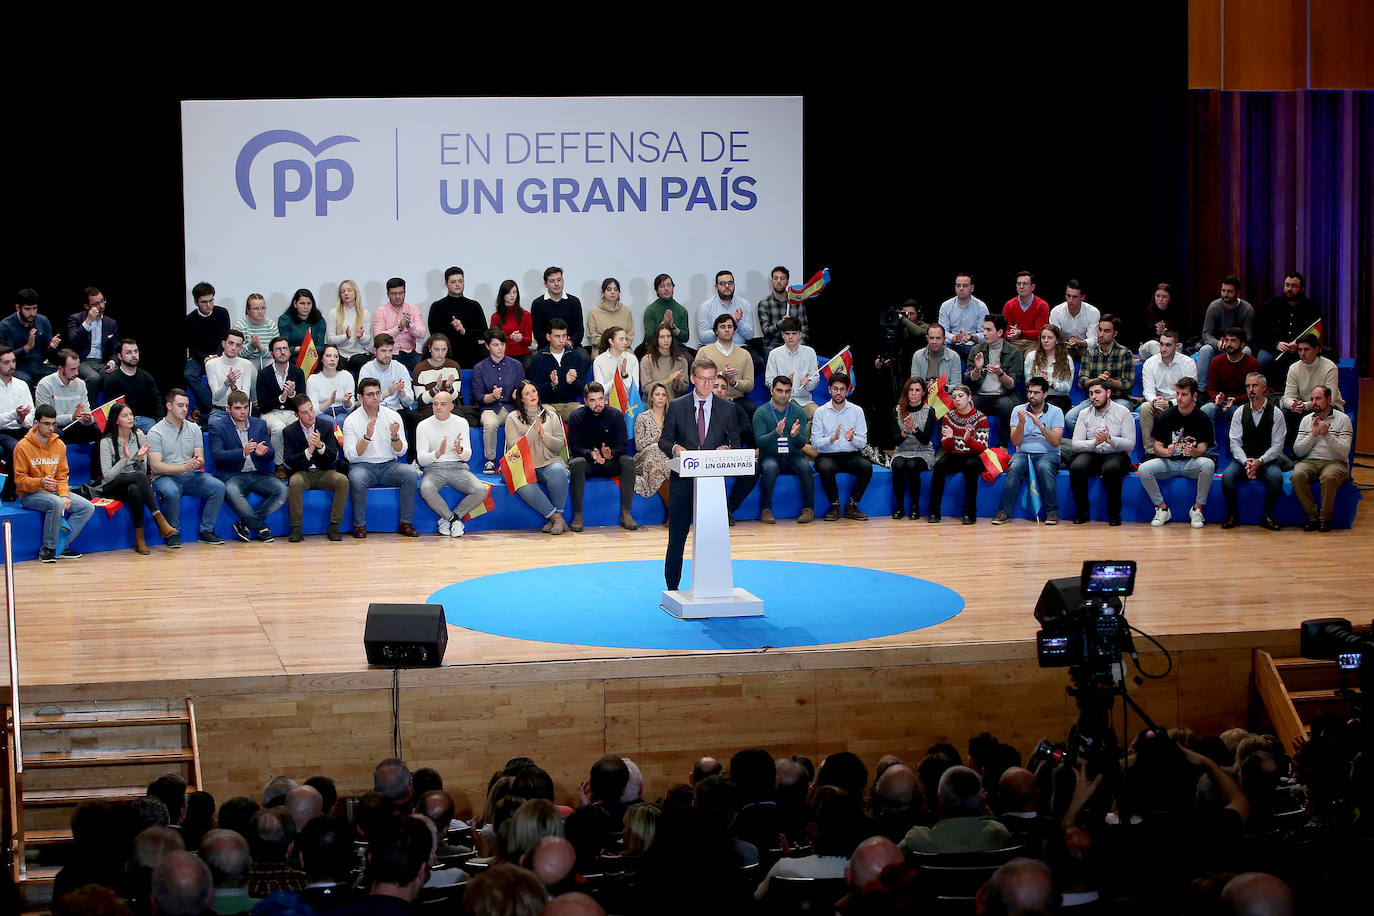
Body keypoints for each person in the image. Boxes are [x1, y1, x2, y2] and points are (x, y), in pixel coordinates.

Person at [660, 359, 743, 588]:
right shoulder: (677, 405)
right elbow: (664, 441)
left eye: (711, 379)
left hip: (713, 483)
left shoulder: (727, 408)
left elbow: (735, 441)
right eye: (702, 378)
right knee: (677, 537)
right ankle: (672, 587)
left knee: (712, 537)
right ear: (693, 379)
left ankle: (713, 586)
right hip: (683, 481)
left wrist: (727, 449)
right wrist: (675, 448)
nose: (707, 384)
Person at [92, 401, 178, 554]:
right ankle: (159, 518)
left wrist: (139, 459)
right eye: (125, 416)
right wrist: (125, 459)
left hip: (135, 483)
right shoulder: (106, 442)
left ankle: (140, 539)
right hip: (112, 485)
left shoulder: (139, 436)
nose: (130, 418)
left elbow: (144, 472)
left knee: (135, 490)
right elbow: (107, 476)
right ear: (116, 420)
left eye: (130, 415)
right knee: (137, 478)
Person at [14, 404, 94, 562]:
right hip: (30, 494)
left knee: (87, 507)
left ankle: (60, 545)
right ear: (36, 424)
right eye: (46, 424)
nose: (51, 428)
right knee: (56, 503)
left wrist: (65, 495)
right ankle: (48, 549)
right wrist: (40, 482)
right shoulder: (22, 447)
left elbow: (62, 475)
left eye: (53, 424)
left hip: (55, 491)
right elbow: (20, 481)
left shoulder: (59, 445)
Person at [342, 378, 420, 538]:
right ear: (361, 397)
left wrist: (394, 437)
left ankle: (406, 523)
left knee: (410, 473)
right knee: (356, 477)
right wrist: (366, 437)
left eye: (377, 393)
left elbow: (401, 451)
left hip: (389, 465)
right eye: (370, 394)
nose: (376, 397)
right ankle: (359, 525)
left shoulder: (393, 416)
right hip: (362, 466)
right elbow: (350, 455)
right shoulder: (351, 420)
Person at [149, 389, 226, 546]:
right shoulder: (155, 432)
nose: (184, 409)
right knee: (171, 491)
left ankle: (207, 531)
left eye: (187, 406)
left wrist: (198, 462)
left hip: (190, 475)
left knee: (218, 487)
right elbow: (156, 467)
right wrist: (184, 467)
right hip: (164, 477)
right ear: (169, 406)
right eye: (180, 405)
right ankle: (173, 531)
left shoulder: (194, 428)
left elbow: (201, 458)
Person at [209, 390, 289, 542]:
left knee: (282, 491)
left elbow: (271, 453)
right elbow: (217, 455)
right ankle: (261, 527)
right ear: (228, 409)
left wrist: (262, 453)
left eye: (245, 407)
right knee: (231, 490)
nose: (243, 411)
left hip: (258, 473)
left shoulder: (259, 424)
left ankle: (245, 524)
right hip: (233, 474)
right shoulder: (218, 426)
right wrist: (242, 452)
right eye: (238, 408)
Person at [1137, 378, 1215, 528]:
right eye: (1178, 394)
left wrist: (1194, 451)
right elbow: (1157, 445)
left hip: (1191, 463)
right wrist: (1165, 452)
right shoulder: (1166, 416)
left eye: (1184, 394)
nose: (1179, 398)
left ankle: (1197, 509)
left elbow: (1203, 448)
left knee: (1208, 465)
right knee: (1144, 469)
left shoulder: (1202, 418)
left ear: (1194, 396)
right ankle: (1162, 508)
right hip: (1169, 462)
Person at [417, 390, 489, 537]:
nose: (438, 407)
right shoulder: (423, 425)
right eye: (435, 404)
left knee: (481, 490)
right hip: (433, 468)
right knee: (426, 489)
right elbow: (422, 460)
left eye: (443, 404)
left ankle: (451, 517)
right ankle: (453, 519)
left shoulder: (461, 422)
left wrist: (459, 450)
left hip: (458, 467)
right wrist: (437, 453)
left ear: (451, 406)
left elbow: (467, 455)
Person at [992, 377, 1064, 525]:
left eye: (1036, 393)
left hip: (1048, 453)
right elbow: (1015, 441)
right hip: (1023, 453)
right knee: (1015, 467)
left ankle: (1052, 513)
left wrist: (1040, 425)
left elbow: (1056, 441)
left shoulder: (1056, 412)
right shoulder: (1018, 410)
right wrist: (1022, 424)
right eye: (1030, 392)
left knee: (1044, 468)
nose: (1032, 396)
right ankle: (1004, 512)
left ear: (1045, 394)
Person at [567, 382, 637, 531]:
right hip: (588, 463)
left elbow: (623, 446)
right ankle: (578, 514)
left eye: (600, 399)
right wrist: (591, 454)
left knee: (629, 462)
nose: (598, 404)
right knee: (576, 463)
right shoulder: (576, 417)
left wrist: (611, 453)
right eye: (593, 400)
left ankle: (626, 513)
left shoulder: (616, 415)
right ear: (585, 401)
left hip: (610, 463)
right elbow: (575, 447)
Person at [504, 379, 570, 534]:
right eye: (527, 393)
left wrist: (544, 435)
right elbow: (515, 448)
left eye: (533, 391)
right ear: (521, 398)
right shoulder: (512, 418)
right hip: (524, 466)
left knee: (558, 471)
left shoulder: (551, 415)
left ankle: (557, 516)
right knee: (521, 483)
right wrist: (534, 433)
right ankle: (556, 518)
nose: (532, 395)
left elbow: (559, 445)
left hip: (547, 462)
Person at [1222, 371, 1286, 530]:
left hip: (1266, 461)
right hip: (1244, 460)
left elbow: (1277, 446)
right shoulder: (1239, 412)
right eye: (1248, 386)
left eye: (1254, 386)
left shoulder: (1276, 413)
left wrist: (1260, 461)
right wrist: (1246, 462)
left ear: (1264, 388)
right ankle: (1232, 515)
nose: (1250, 390)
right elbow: (1234, 443)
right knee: (1227, 477)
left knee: (1276, 477)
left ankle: (1267, 516)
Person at [1067, 378, 1136, 525]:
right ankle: (1082, 512)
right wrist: (1095, 442)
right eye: (1091, 393)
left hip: (1117, 454)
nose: (1094, 396)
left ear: (1108, 393)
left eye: (1098, 392)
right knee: (1076, 467)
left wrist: (1109, 439)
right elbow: (1076, 444)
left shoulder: (1123, 412)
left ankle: (1114, 514)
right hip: (1093, 452)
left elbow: (1130, 444)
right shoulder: (1084, 413)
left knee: (1111, 468)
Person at [282, 394, 348, 542]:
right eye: (305, 412)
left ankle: (334, 525)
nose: (310, 414)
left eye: (311, 409)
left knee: (342, 480)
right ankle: (296, 527)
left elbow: (332, 456)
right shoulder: (289, 431)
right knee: (295, 482)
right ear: (297, 415)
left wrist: (320, 446)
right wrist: (308, 451)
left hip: (325, 471)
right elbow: (289, 460)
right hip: (302, 472)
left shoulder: (325, 426)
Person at [809, 371, 871, 521]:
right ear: (829, 389)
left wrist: (851, 439)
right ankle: (835, 506)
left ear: (847, 391)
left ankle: (852, 505)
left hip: (851, 455)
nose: (838, 392)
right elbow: (815, 442)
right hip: (827, 455)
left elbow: (862, 442)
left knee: (866, 467)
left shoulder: (857, 411)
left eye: (842, 389)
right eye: (835, 388)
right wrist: (831, 439)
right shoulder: (820, 412)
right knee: (825, 467)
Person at [753, 375, 815, 524]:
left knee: (805, 466)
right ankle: (765, 509)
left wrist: (794, 435)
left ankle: (808, 509)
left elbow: (801, 444)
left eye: (787, 391)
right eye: (779, 390)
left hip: (793, 454)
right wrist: (777, 433)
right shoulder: (761, 412)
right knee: (771, 467)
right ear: (771, 390)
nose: (783, 395)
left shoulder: (798, 412)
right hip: (769, 455)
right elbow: (760, 442)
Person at [1291, 385, 1352, 532]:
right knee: (1297, 475)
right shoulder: (1306, 420)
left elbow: (1344, 451)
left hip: (1336, 462)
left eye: (1318, 398)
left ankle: (1325, 519)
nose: (1314, 402)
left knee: (1329, 476)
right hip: (1311, 461)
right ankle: (1313, 517)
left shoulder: (1343, 419)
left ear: (1329, 400)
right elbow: (1298, 451)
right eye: (1311, 399)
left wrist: (1327, 434)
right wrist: (1313, 435)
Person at [1064, 314, 1135, 436]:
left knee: (1116, 413)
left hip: (1118, 399)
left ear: (1115, 333)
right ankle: (1093, 440)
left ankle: (1105, 443)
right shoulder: (1090, 353)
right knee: (1070, 417)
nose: (1101, 334)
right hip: (1094, 398)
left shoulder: (1125, 353)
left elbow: (1127, 383)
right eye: (1100, 329)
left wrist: (1108, 381)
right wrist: (1097, 380)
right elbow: (1082, 381)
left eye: (1106, 331)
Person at [927, 385, 986, 525]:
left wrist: (968, 440)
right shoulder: (948, 417)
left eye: (960, 396)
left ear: (969, 397)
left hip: (973, 455)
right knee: (940, 466)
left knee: (971, 466)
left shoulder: (980, 417)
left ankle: (970, 513)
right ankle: (934, 512)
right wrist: (950, 439)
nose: (957, 399)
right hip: (955, 453)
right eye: (954, 397)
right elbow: (947, 448)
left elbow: (982, 448)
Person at [359, 334, 421, 461]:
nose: (387, 355)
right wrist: (387, 392)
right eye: (383, 351)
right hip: (374, 411)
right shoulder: (367, 369)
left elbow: (409, 400)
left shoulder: (400, 368)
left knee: (414, 418)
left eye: (390, 351)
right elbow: (364, 400)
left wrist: (402, 392)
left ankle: (412, 461)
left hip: (395, 411)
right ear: (375, 351)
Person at [472, 328, 525, 474]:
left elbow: (519, 389)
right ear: (487, 346)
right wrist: (493, 396)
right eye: (496, 345)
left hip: (511, 407)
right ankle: (490, 460)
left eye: (502, 344)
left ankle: (513, 460)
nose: (500, 348)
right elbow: (479, 397)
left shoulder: (516, 365)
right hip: (489, 408)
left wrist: (516, 395)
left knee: (517, 419)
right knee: (490, 423)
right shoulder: (480, 368)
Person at [963, 315, 1023, 446]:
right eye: (984, 329)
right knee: (968, 402)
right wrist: (977, 370)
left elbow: (1012, 384)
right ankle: (970, 444)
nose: (984, 333)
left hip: (1003, 396)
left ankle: (1003, 446)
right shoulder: (976, 350)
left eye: (989, 330)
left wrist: (1000, 373)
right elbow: (968, 378)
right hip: (980, 395)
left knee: (1007, 405)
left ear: (1000, 332)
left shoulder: (1014, 352)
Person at [1256, 271, 1321, 390]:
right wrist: (1276, 344)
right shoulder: (1271, 305)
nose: (1289, 289)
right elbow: (1261, 333)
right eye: (1287, 285)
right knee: (1262, 361)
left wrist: (1299, 345)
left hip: (1300, 349)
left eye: (1294, 286)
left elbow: (1315, 333)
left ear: (1301, 289)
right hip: (1272, 348)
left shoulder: (1311, 307)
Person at [1136, 328, 1198, 447]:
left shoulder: (1188, 363)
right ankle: (1150, 452)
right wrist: (1155, 401)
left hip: (1180, 402)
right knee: (1145, 407)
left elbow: (1190, 393)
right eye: (1161, 344)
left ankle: (1183, 449)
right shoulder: (1150, 363)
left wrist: (1170, 404)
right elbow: (1148, 391)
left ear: (1177, 346)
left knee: (1190, 405)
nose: (1163, 349)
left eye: (1168, 345)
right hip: (1158, 403)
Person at [256, 337, 308, 477]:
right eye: (278, 349)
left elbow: (302, 401)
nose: (282, 352)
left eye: (285, 348)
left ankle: (300, 463)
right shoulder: (263, 374)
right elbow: (262, 406)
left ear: (289, 352)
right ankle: (279, 465)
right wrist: (282, 398)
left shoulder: (298, 372)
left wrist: (292, 395)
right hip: (270, 413)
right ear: (272, 353)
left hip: (292, 412)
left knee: (300, 426)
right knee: (279, 428)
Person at [1195, 275, 1255, 391]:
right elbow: (1206, 334)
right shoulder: (1214, 307)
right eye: (1223, 291)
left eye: (1229, 291)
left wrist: (1233, 343)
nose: (1225, 294)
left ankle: (1246, 388)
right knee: (1205, 350)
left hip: (1238, 346)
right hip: (1218, 346)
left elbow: (1249, 335)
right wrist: (1218, 343)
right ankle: (1202, 390)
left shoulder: (1247, 309)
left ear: (1237, 292)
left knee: (1247, 351)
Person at [889, 377, 937, 520]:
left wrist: (914, 429)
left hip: (922, 451)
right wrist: (905, 431)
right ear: (906, 392)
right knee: (898, 465)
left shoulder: (929, 410)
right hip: (902, 449)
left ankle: (915, 506)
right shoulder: (897, 410)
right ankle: (899, 507)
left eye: (917, 390)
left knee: (912, 466)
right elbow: (895, 440)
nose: (914, 393)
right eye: (911, 390)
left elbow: (926, 439)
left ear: (923, 393)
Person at [713, 375, 758, 524]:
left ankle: (729, 509)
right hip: (708, 457)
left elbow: (747, 429)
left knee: (755, 468)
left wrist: (728, 433)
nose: (719, 390)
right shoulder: (698, 408)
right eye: (716, 386)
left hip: (731, 456)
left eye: (723, 388)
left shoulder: (734, 407)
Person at [530, 318, 591, 422]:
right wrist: (551, 384)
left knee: (583, 412)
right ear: (548, 337)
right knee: (550, 416)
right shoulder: (538, 358)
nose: (562, 340)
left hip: (570, 404)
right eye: (557, 336)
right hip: (547, 404)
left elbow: (583, 387)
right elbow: (534, 391)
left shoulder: (575, 356)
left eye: (564, 336)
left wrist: (572, 382)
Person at [182, 282, 228, 416]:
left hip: (220, 355)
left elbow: (224, 338)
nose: (208, 305)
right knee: (189, 374)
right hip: (199, 357)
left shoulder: (222, 313)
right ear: (196, 303)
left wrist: (217, 356)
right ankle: (212, 405)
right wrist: (205, 358)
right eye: (204, 302)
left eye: (211, 301)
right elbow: (192, 346)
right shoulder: (189, 320)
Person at [98, 338, 162, 433]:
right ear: (120, 356)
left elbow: (156, 400)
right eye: (128, 353)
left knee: (159, 433)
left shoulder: (146, 377)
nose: (134, 355)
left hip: (146, 420)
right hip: (124, 421)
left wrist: (160, 420)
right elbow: (113, 409)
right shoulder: (112, 379)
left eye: (136, 351)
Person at [428, 267, 487, 370]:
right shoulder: (437, 306)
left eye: (460, 281)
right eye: (453, 281)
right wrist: (454, 328)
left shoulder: (474, 306)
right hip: (446, 355)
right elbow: (434, 333)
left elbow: (483, 331)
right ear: (446, 284)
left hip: (472, 355)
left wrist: (464, 331)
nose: (458, 284)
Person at [35, 350, 98, 444]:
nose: (77, 373)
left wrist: (89, 419)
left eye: (77, 368)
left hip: (76, 424)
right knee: (56, 433)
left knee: (98, 428)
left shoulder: (80, 384)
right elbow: (45, 419)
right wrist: (71, 417)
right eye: (72, 369)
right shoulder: (45, 385)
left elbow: (86, 411)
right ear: (60, 368)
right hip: (55, 426)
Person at [764, 316, 820, 421]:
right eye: (787, 333)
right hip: (781, 401)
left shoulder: (810, 352)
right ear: (782, 335)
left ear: (800, 335)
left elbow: (815, 378)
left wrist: (808, 383)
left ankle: (805, 437)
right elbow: (768, 381)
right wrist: (784, 383)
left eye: (794, 333)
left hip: (804, 401)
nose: (790, 337)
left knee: (818, 414)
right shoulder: (774, 354)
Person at [3, 288, 61, 387]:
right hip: (18, 367)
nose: (32, 313)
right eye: (27, 309)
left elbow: (50, 354)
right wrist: (27, 347)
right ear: (18, 308)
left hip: (39, 365)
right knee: (25, 381)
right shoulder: (6, 326)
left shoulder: (42, 321)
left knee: (59, 375)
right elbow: (6, 356)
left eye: (34, 308)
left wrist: (52, 346)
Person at [66, 286, 120, 392]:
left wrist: (113, 362)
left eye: (102, 302)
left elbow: (115, 349)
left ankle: (114, 408)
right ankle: (91, 408)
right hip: (82, 361)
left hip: (102, 362)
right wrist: (88, 321)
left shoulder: (111, 323)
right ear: (86, 306)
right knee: (93, 378)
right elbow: (72, 341)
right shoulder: (76, 319)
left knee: (115, 376)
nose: (101, 306)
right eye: (95, 304)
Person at [1203, 327, 1261, 424]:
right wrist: (1216, 397)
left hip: (1242, 404)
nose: (1229, 344)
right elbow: (1211, 389)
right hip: (1221, 403)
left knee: (1241, 414)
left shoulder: (1252, 363)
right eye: (1227, 340)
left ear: (1242, 344)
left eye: (1233, 341)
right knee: (1206, 410)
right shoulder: (1216, 361)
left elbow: (1254, 393)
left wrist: (1236, 400)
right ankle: (1211, 439)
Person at [634, 381, 672, 520]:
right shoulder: (642, 417)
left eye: (663, 395)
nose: (661, 397)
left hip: (666, 458)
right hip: (645, 457)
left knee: (660, 465)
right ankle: (673, 510)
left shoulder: (672, 418)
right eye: (657, 394)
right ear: (651, 398)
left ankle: (671, 511)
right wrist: (658, 438)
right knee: (656, 449)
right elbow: (639, 445)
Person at [1282, 333, 1343, 418]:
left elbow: (1330, 400)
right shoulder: (1294, 368)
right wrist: (1294, 404)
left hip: (1329, 406)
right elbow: (1288, 397)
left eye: (1306, 349)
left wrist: (1306, 405)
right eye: (1300, 350)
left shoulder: (1330, 367)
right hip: (1304, 406)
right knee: (1287, 413)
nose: (1302, 353)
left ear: (1316, 350)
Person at [203, 329, 257, 422]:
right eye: (231, 343)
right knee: (215, 426)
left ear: (241, 348)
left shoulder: (246, 364)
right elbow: (216, 396)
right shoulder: (211, 364)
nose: (233, 348)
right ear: (224, 344)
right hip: (219, 411)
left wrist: (233, 387)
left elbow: (245, 397)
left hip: (240, 411)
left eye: (238, 345)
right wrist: (226, 384)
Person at [372, 278, 426, 371]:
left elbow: (422, 334)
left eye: (401, 293)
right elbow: (378, 337)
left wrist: (409, 325)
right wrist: (399, 328)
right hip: (389, 353)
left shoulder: (413, 309)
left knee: (424, 368)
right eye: (394, 293)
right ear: (388, 294)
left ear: (405, 293)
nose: (397, 296)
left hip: (410, 353)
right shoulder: (380, 311)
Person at [696, 313, 753, 400]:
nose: (727, 330)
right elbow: (697, 377)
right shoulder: (704, 352)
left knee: (755, 411)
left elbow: (750, 385)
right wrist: (722, 375)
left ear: (734, 330)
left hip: (737, 399)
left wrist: (734, 382)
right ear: (716, 331)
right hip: (711, 399)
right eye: (722, 327)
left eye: (730, 327)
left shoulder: (745, 354)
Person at [530, 266, 585, 351]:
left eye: (559, 280)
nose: (556, 284)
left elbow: (579, 330)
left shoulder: (574, 302)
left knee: (584, 359)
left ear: (563, 281)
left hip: (571, 346)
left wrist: (571, 343)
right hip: (547, 348)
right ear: (546, 284)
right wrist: (555, 345)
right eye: (552, 281)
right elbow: (538, 333)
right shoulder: (538, 304)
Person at [326, 279, 373, 377]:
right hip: (340, 353)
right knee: (337, 363)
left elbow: (367, 340)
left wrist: (360, 337)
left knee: (361, 363)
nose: (346, 294)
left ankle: (360, 391)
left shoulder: (364, 313)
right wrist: (345, 336)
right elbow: (330, 339)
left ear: (355, 292)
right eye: (343, 292)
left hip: (358, 353)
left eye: (349, 290)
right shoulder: (333, 312)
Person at [1025, 323, 1075, 413]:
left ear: (1057, 340)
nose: (1045, 340)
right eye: (1043, 337)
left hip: (1059, 397)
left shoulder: (1066, 359)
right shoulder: (1031, 357)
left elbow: (1067, 388)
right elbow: (1027, 381)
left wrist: (1050, 383)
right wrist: (1039, 382)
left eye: (1050, 338)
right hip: (1036, 396)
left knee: (1047, 409)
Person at [938, 273, 989, 359]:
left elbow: (985, 333)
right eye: (958, 286)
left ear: (972, 288)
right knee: (937, 349)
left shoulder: (981, 307)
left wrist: (972, 337)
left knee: (981, 353)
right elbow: (942, 331)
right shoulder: (946, 306)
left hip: (973, 345)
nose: (961, 289)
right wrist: (954, 338)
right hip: (951, 345)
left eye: (965, 286)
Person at [757, 266, 809, 351]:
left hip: (795, 346)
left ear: (787, 281)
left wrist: (799, 348)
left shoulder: (796, 302)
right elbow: (766, 331)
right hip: (772, 347)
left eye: (782, 278)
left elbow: (804, 330)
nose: (778, 281)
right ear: (771, 281)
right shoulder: (764, 303)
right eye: (775, 278)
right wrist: (779, 324)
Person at [412, 334, 463, 419]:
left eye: (443, 350)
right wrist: (435, 390)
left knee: (459, 418)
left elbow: (455, 397)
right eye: (436, 349)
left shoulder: (454, 366)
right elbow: (421, 401)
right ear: (429, 349)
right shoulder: (420, 369)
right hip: (428, 407)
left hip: (450, 407)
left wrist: (449, 387)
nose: (440, 353)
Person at [1047, 279, 1100, 359]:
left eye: (1075, 297)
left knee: (1095, 352)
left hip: (1084, 348)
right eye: (1068, 296)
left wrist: (1079, 343)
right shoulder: (1056, 312)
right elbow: (1054, 336)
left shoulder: (1093, 312)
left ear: (1083, 297)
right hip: (1062, 348)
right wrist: (1065, 344)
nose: (1070, 300)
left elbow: (1093, 340)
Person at [307, 343, 355, 426]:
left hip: (342, 411)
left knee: (342, 420)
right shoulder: (313, 379)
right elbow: (313, 410)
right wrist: (330, 402)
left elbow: (350, 408)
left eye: (336, 356)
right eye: (328, 356)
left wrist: (346, 402)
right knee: (330, 423)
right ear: (322, 358)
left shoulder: (346, 376)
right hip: (322, 413)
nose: (332, 359)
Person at [640, 273, 691, 351]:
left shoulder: (682, 310)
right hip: (655, 349)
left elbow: (685, 337)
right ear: (657, 291)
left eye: (669, 285)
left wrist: (673, 327)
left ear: (673, 288)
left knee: (688, 360)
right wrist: (663, 324)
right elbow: (648, 337)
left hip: (677, 349)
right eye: (662, 286)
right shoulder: (650, 310)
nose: (666, 289)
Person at [1001, 271, 1049, 352]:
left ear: (1032, 287)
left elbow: (1040, 332)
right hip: (1012, 342)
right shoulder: (1009, 305)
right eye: (1018, 284)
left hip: (1033, 343)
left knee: (1032, 357)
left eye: (1025, 284)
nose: (1021, 286)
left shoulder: (1042, 305)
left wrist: (1021, 333)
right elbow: (1003, 330)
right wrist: (1011, 334)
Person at [491, 279, 534, 366]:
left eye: (514, 292)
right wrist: (510, 338)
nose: (512, 295)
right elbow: (493, 340)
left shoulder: (526, 315)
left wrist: (521, 338)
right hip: (503, 355)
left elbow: (529, 341)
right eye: (509, 293)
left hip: (523, 355)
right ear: (503, 295)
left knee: (529, 366)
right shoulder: (496, 317)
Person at [586, 278, 634, 356]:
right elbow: (593, 337)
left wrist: (619, 345)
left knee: (632, 360)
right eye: (609, 289)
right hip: (601, 349)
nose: (612, 292)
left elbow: (630, 335)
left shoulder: (626, 311)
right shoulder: (593, 312)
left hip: (623, 349)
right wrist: (611, 346)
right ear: (603, 292)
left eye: (615, 289)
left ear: (619, 292)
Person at [278, 289, 327, 361]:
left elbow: (320, 347)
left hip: (313, 357)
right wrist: (299, 349)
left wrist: (303, 349)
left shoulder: (319, 320)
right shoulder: (285, 320)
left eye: (309, 303)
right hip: (292, 357)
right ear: (295, 304)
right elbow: (285, 347)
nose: (306, 307)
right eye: (302, 303)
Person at [235, 293, 278, 372]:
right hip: (247, 360)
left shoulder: (271, 325)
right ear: (248, 310)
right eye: (256, 309)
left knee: (274, 367)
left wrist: (260, 348)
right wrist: (251, 345)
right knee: (249, 368)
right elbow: (236, 353)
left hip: (268, 359)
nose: (260, 311)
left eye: (262, 308)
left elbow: (276, 351)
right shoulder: (240, 326)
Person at [1136, 281, 1179, 356]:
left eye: (1164, 297)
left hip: (1168, 345)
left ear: (1170, 298)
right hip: (1147, 347)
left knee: (1176, 346)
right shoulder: (1146, 313)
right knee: (1153, 344)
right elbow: (1141, 337)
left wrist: (1164, 333)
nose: (1160, 299)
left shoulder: (1176, 314)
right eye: (1158, 296)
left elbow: (1180, 336)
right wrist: (1157, 334)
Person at [591, 326, 636, 391]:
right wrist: (618, 378)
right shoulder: (599, 361)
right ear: (611, 341)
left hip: (627, 400)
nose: (625, 342)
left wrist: (625, 376)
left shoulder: (632, 359)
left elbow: (635, 389)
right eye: (621, 339)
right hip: (606, 400)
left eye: (625, 339)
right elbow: (600, 390)